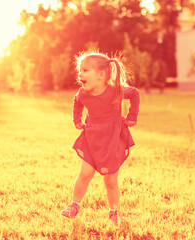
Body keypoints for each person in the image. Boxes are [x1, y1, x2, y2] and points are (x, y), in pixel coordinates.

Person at [61, 51, 140, 224]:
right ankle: (74, 205)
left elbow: (134, 94)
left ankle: (113, 212)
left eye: (85, 70)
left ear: (101, 75)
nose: (80, 74)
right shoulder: (83, 93)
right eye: (80, 71)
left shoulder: (115, 91)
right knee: (85, 174)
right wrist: (77, 119)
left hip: (112, 139)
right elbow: (77, 102)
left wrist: (132, 116)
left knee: (110, 180)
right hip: (91, 137)